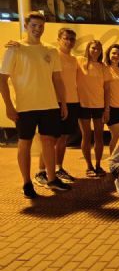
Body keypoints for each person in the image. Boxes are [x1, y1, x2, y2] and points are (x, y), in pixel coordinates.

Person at [0, 11, 70, 197]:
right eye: (34, 26)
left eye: (41, 26)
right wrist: (8, 106)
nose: (37, 29)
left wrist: (63, 102)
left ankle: (52, 179)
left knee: (49, 142)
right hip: (25, 106)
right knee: (25, 144)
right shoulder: (15, 48)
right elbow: (2, 80)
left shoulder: (50, 50)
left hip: (49, 105)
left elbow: (57, 79)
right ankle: (26, 183)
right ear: (26, 26)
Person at [31, 28, 80, 186]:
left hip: (72, 102)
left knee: (63, 138)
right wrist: (17, 45)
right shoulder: (53, 54)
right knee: (50, 139)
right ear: (59, 39)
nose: (69, 41)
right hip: (56, 102)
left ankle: (58, 168)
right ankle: (41, 171)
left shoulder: (73, 60)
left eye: (72, 39)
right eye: (66, 38)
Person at [77, 39, 109, 177]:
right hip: (83, 105)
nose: (95, 51)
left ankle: (98, 165)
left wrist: (107, 108)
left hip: (99, 106)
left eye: (98, 49)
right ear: (88, 49)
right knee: (86, 135)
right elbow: (60, 55)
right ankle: (89, 166)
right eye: (93, 48)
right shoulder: (79, 61)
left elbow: (107, 89)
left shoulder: (103, 67)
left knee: (99, 137)